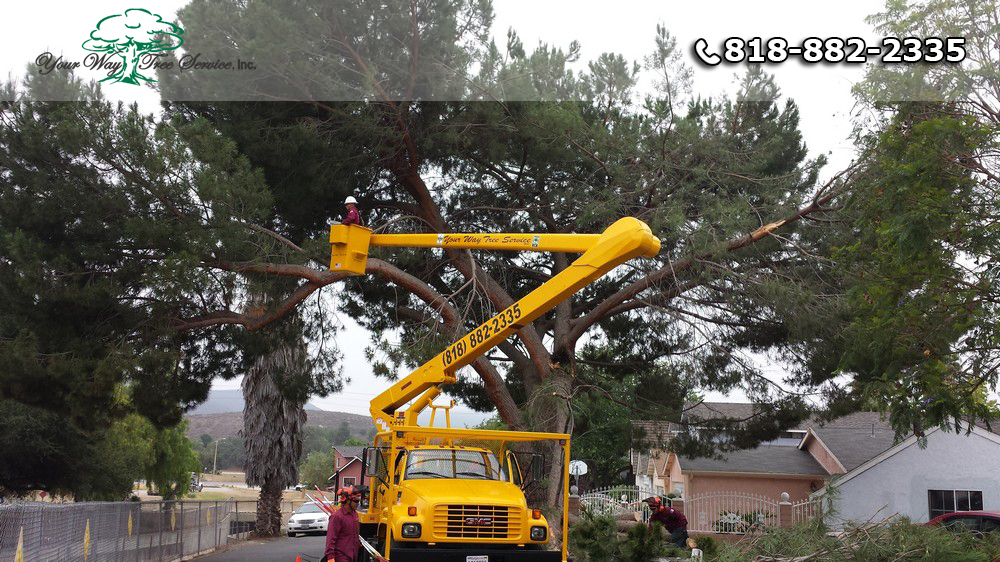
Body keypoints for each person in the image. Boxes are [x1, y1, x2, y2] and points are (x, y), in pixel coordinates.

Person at [322, 485, 363, 562]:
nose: (358, 503)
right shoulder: (337, 517)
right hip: (341, 557)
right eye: (356, 501)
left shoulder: (355, 514)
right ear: (348, 501)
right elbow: (331, 539)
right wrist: (330, 557)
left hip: (353, 557)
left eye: (359, 501)